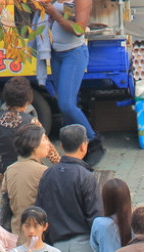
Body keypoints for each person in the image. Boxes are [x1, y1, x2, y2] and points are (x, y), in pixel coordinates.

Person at [41, 0, 105, 165]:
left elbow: (79, 29)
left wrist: (54, 14)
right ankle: (75, 151)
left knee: (66, 105)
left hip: (73, 54)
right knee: (65, 106)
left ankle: (94, 142)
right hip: (57, 54)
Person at [34, 124, 102, 252]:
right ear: (84, 146)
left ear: (61, 145)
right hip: (84, 245)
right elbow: (95, 215)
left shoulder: (48, 174)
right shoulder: (85, 176)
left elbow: (39, 211)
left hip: (57, 245)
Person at [0, 76, 59, 181]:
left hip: (3, 176)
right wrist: (61, 164)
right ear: (28, 100)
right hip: (27, 176)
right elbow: (49, 149)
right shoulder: (31, 121)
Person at [1, 124, 54, 241]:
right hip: (38, 239)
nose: (48, 143)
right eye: (44, 139)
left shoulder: (10, 170)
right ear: (33, 144)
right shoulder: (43, 171)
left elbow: (4, 204)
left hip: (16, 238)